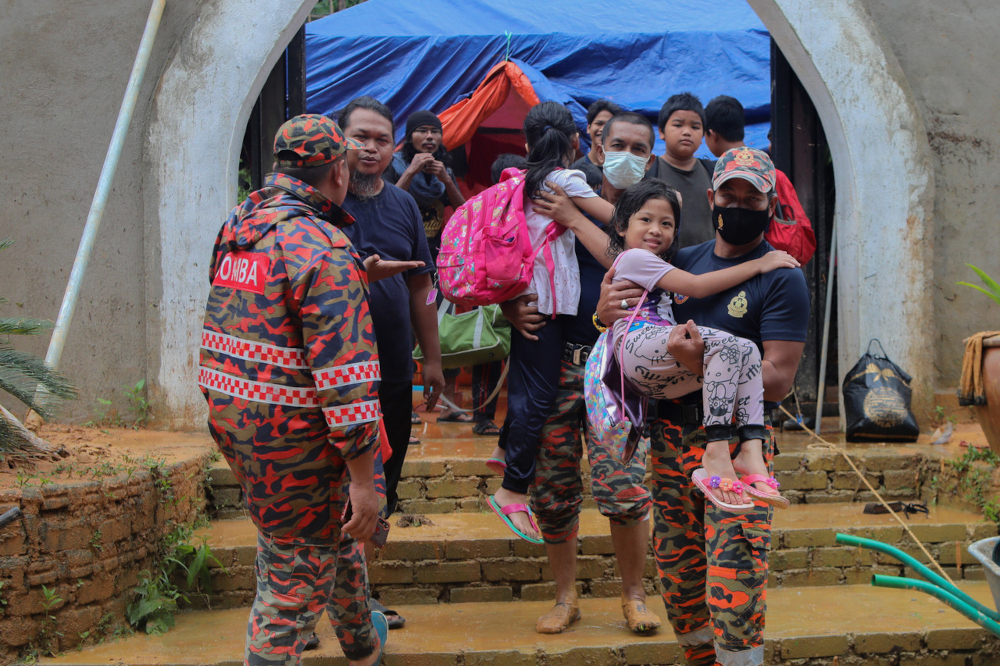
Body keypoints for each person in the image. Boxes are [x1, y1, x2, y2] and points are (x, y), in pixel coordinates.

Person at [598, 147, 810, 666]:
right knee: (681, 583)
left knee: (735, 585)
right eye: (729, 194)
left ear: (769, 204)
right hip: (668, 447)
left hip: (737, 450)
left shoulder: (781, 276)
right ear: (711, 197)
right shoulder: (680, 261)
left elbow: (778, 380)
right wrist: (603, 316)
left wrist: (698, 366)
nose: (739, 204)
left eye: (752, 197)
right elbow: (634, 332)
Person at [198, 114, 388, 666]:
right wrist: (363, 478)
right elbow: (345, 376)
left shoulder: (242, 224)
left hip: (237, 419)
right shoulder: (323, 246)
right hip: (301, 439)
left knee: (325, 538)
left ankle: (362, 645)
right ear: (336, 171)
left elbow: (258, 312)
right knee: (291, 577)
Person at [505, 111, 664, 634]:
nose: (628, 155)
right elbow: (511, 258)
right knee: (552, 490)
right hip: (555, 369)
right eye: (618, 143)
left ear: (652, 153)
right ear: (593, 143)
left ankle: (635, 596)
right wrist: (509, 307)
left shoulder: (655, 211)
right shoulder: (558, 191)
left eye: (640, 148)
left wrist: (576, 219)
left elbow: (632, 261)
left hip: (616, 374)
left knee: (622, 486)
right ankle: (565, 596)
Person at [559, 179, 795, 509]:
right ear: (622, 227)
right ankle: (717, 451)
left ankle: (751, 452)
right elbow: (697, 287)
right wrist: (759, 264)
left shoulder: (666, 262)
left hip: (657, 358)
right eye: (646, 220)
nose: (656, 229)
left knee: (748, 350)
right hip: (641, 344)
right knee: (729, 347)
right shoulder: (634, 258)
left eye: (666, 223)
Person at [487, 102, 614, 543]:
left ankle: (504, 450)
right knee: (538, 398)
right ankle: (511, 490)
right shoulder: (564, 180)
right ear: (577, 143)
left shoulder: (515, 181)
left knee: (527, 386)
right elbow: (615, 220)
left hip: (525, 298)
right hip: (549, 303)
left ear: (525, 143)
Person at [337, 96, 445, 519]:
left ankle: (365, 579)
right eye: (360, 136)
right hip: (335, 369)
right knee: (341, 482)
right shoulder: (322, 203)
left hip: (394, 367)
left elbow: (422, 287)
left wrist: (432, 359)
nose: (370, 147)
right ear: (339, 140)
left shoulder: (404, 206)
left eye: (382, 140)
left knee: (385, 480)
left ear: (393, 149)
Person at [384, 109, 470, 424]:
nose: (430, 137)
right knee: (402, 336)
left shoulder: (442, 172)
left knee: (443, 335)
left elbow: (464, 212)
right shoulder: (392, 167)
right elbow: (387, 202)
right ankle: (402, 406)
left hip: (435, 271)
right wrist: (410, 171)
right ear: (410, 138)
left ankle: (448, 405)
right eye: (422, 131)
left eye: (435, 132)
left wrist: (446, 178)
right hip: (399, 269)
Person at [704, 95, 817, 265]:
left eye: (752, 198)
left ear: (711, 134)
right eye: (728, 196)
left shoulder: (706, 172)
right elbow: (803, 235)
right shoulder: (776, 175)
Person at [643, 93, 715, 248]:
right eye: (678, 125)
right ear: (661, 131)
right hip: (664, 263)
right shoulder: (650, 172)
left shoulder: (712, 171)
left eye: (695, 127)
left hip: (707, 264)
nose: (687, 132)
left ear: (703, 135)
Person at [572, 99, 622, 189]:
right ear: (588, 128)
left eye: (608, 125)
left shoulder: (622, 171)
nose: (603, 129)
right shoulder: (576, 170)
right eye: (599, 123)